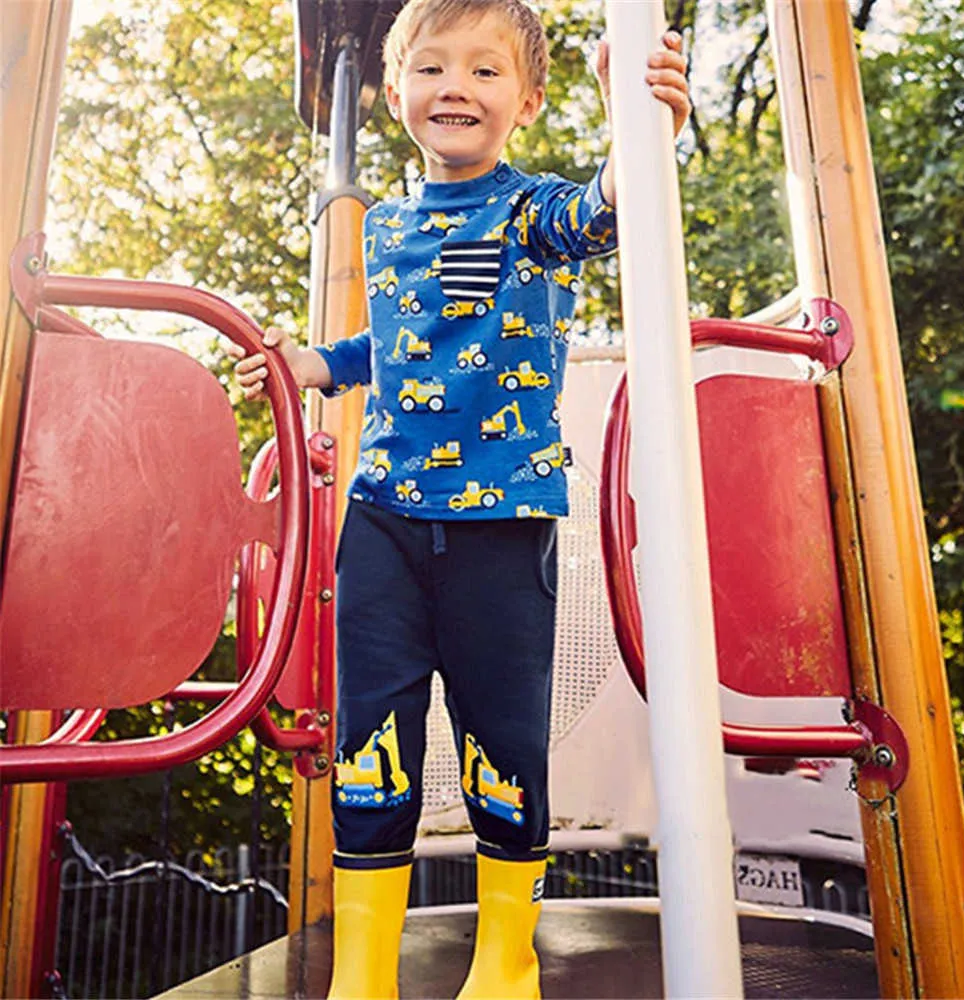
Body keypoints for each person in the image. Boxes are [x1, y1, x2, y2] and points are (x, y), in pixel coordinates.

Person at [232, 1, 689, 996]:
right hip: (387, 518)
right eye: (432, 68)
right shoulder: (390, 224)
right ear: (397, 94)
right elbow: (398, 346)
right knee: (372, 735)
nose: (454, 88)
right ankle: (362, 967)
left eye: (484, 72)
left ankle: (504, 955)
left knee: (502, 731)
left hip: (500, 521)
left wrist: (636, 131)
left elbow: (604, 213)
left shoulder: (528, 213)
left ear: (524, 103)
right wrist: (322, 360)